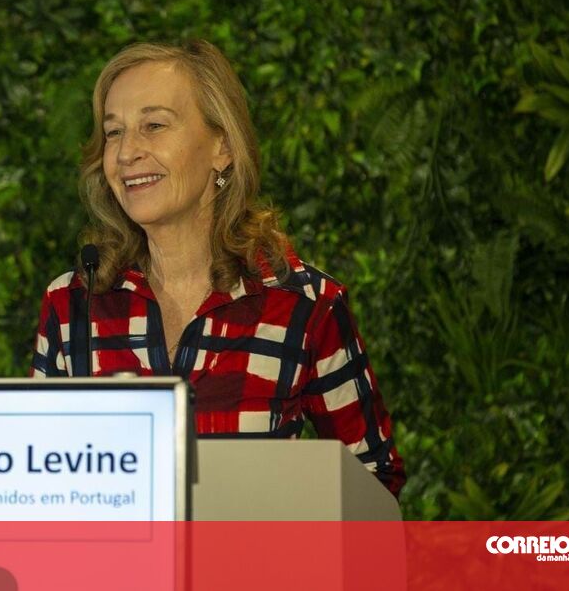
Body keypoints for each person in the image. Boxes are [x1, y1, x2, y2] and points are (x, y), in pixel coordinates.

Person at [30, 40, 405, 496]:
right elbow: (38, 484)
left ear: (222, 146)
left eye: (153, 125)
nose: (126, 152)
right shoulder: (74, 302)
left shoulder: (304, 305)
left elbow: (374, 482)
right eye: (113, 132)